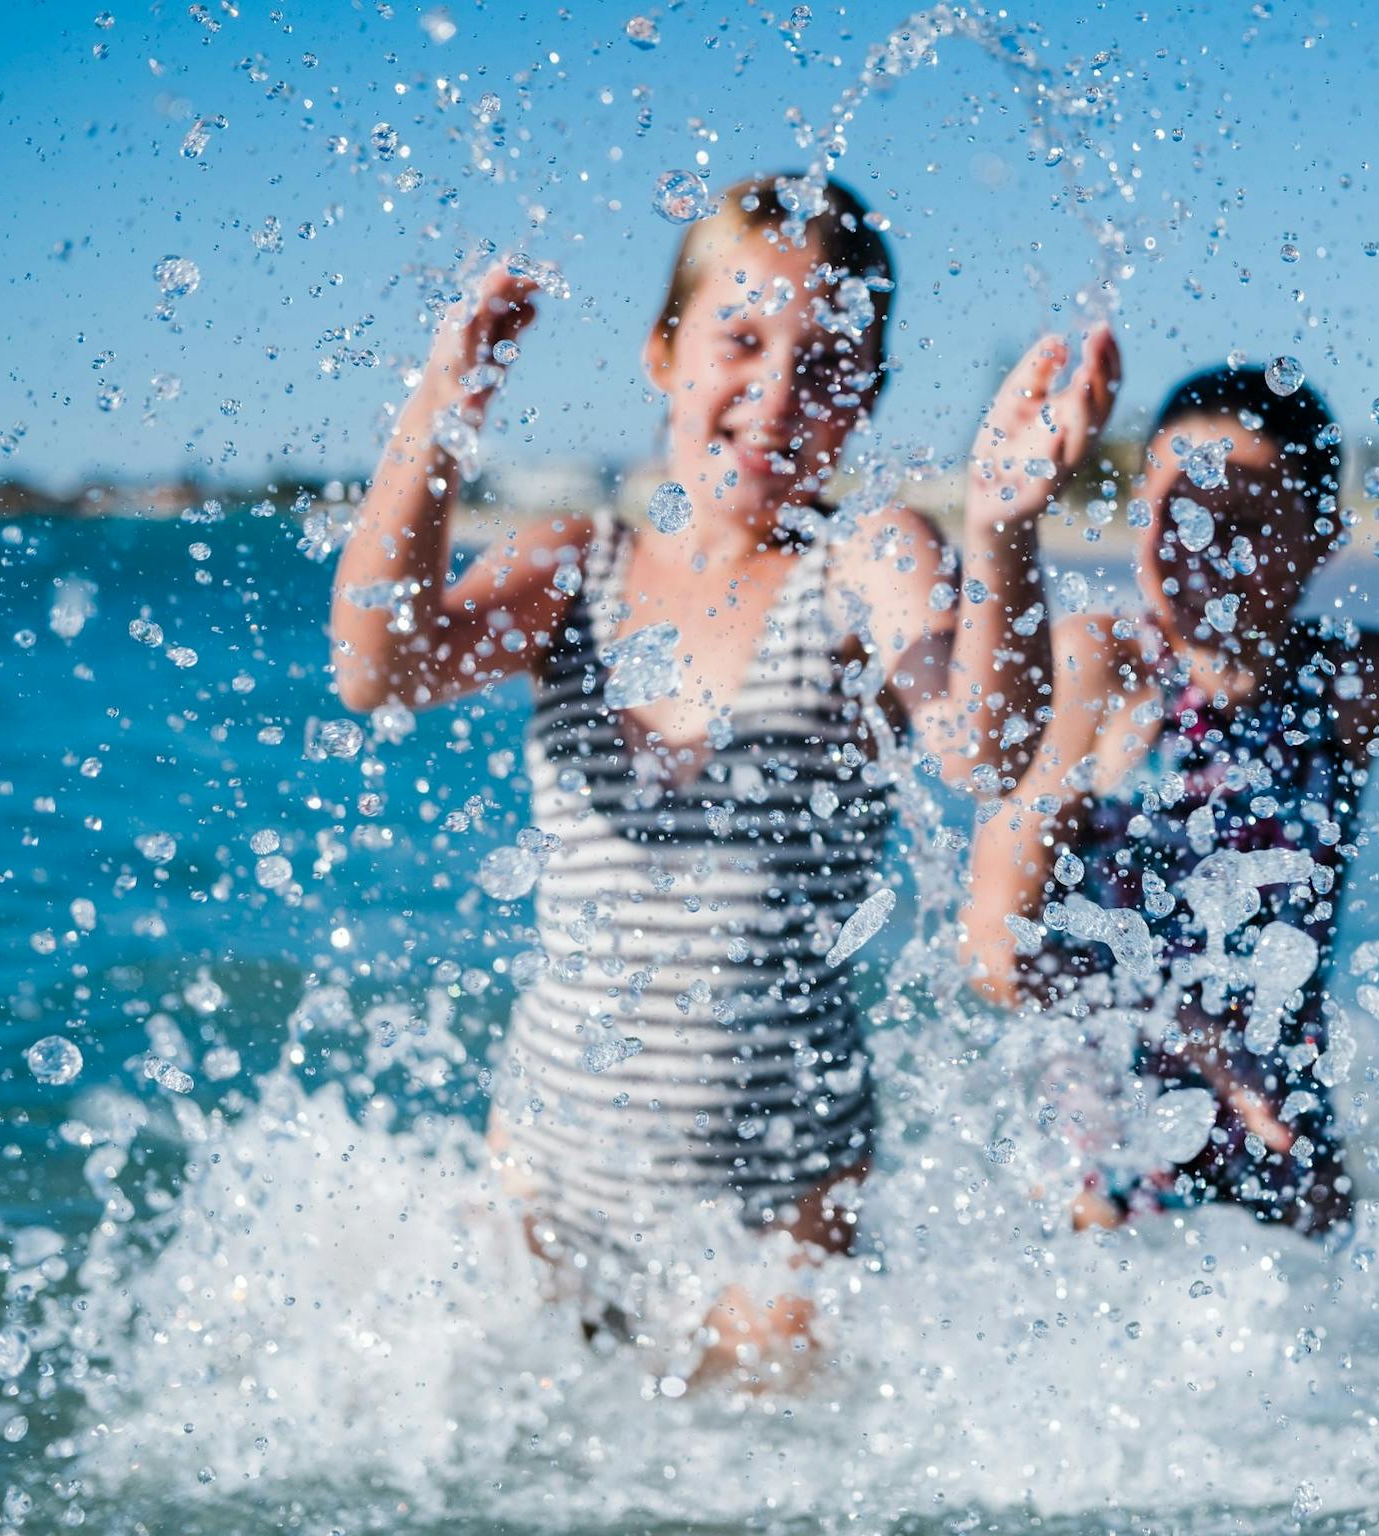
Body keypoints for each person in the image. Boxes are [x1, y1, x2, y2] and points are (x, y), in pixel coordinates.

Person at [329, 173, 1119, 1373]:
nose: (777, 393)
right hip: (547, 1169)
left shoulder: (864, 562)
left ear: (867, 400)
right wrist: (444, 406)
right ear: (662, 353)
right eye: (740, 341)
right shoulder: (570, 568)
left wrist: (1004, 527)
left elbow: (983, 749)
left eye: (825, 363)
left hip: (777, 1207)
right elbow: (375, 666)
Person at [958, 364, 1379, 1238]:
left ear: (1322, 535)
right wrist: (1194, 1028)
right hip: (1104, 1150)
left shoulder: (1355, 680)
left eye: (1240, 523)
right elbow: (997, 949)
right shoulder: (1098, 669)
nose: (1197, 547)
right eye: (1172, 512)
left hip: (1281, 1134)